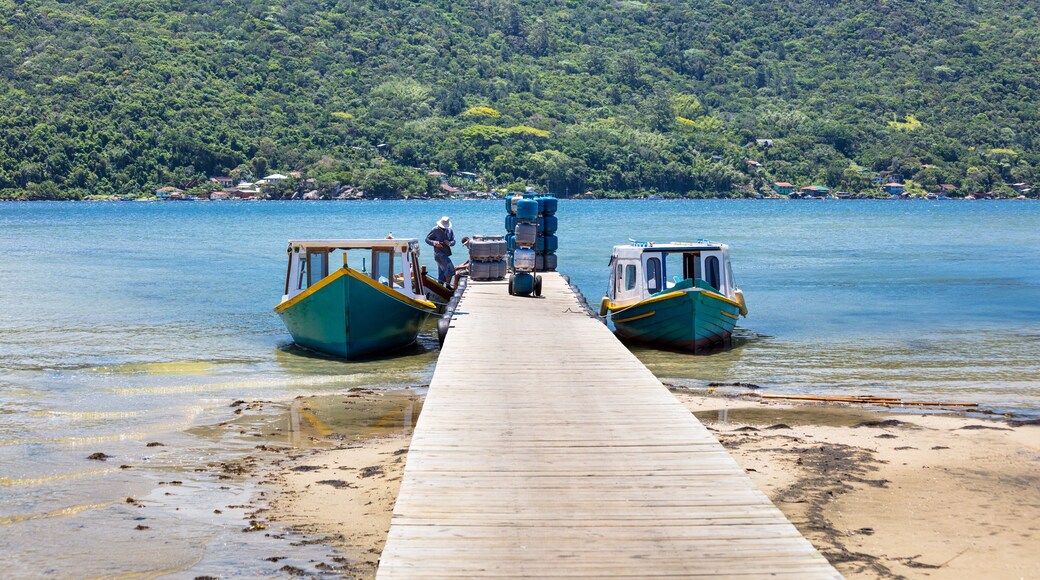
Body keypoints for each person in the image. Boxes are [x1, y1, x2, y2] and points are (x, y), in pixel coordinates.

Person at [425, 216, 456, 284]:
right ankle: (448, 286)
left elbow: (453, 241)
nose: (443, 228)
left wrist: (449, 243)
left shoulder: (450, 230)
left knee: (442, 273)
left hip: (446, 253)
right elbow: (427, 239)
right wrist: (435, 243)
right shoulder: (435, 229)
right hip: (438, 254)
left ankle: (441, 288)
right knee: (450, 270)